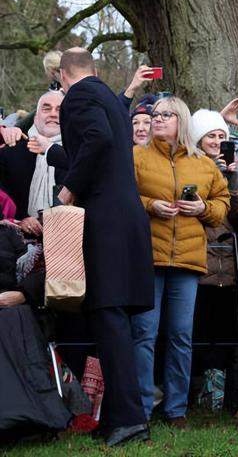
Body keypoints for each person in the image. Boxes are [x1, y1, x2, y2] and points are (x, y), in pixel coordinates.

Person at [56, 47, 154, 446]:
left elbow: (95, 140)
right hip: (126, 220)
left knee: (109, 318)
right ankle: (120, 417)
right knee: (113, 323)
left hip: (106, 222)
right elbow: (101, 142)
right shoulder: (109, 101)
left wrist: (67, 191)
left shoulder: (78, 97)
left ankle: (130, 420)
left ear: (63, 75)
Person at [132, 96, 230, 427]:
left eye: (165, 115)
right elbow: (125, 196)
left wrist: (203, 208)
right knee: (144, 334)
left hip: (187, 263)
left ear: (181, 121)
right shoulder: (136, 157)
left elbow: (223, 204)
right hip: (148, 258)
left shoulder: (203, 163)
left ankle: (176, 409)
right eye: (154, 115)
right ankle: (143, 408)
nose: (156, 119)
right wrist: (150, 205)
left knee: (180, 336)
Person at [189, 109, 238, 373]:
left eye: (221, 136)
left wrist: (234, 179)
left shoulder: (232, 168)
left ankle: (225, 389)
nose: (215, 141)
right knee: (197, 326)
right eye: (210, 135)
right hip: (199, 254)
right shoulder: (190, 164)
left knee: (227, 327)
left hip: (226, 259)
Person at [0, 91, 66, 236]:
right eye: (46, 109)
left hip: (67, 241)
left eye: (59, 110)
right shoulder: (11, 151)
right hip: (18, 243)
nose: (53, 114)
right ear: (36, 118)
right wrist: (20, 220)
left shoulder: (78, 156)